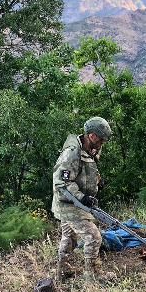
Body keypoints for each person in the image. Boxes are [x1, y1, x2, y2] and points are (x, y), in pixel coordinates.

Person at [51, 117, 112, 283]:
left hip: (74, 202)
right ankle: (92, 277)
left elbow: (84, 173)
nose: (102, 144)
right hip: (69, 203)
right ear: (92, 136)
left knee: (69, 237)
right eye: (101, 140)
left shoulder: (89, 149)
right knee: (93, 237)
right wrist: (82, 197)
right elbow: (62, 183)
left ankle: (63, 272)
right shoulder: (72, 153)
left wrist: (98, 182)